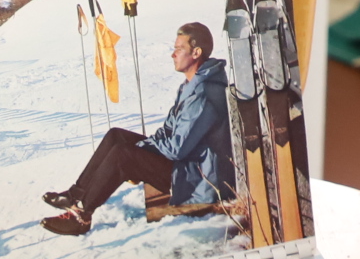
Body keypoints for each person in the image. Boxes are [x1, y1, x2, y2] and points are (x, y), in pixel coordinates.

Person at [41, 23, 235, 235]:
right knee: (116, 136)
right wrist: (147, 145)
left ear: (196, 53)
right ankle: (74, 195)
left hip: (196, 177)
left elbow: (177, 148)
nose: (173, 54)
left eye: (179, 49)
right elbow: (169, 130)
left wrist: (143, 148)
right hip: (185, 165)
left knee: (123, 155)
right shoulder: (191, 85)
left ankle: (81, 216)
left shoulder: (203, 93)